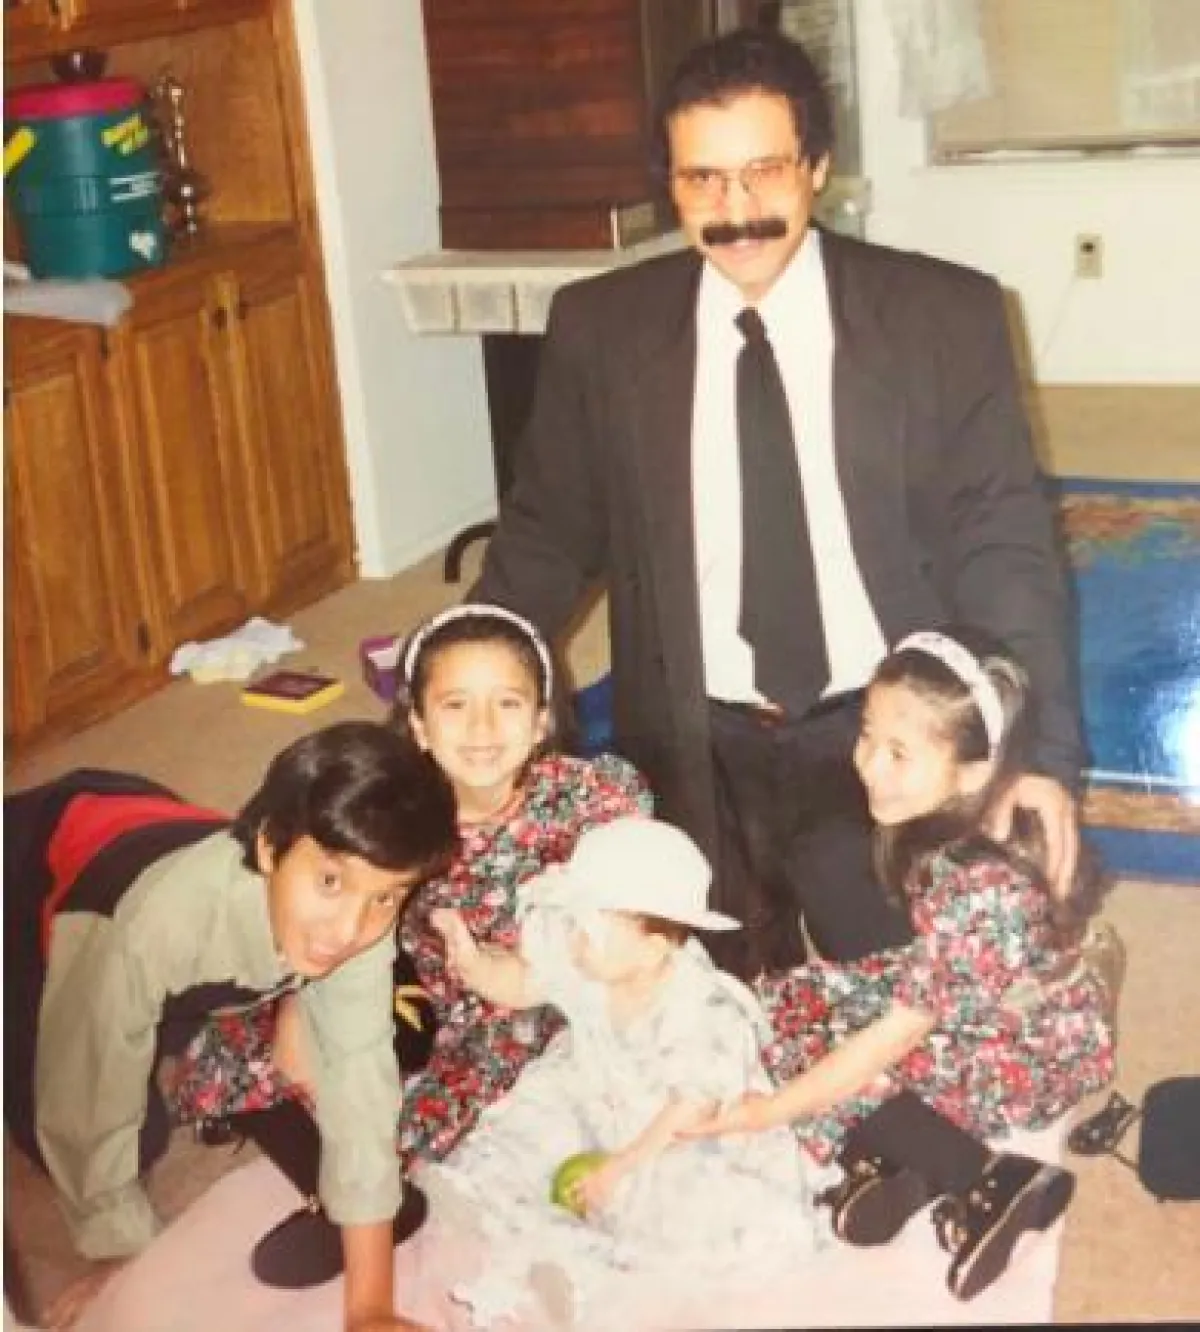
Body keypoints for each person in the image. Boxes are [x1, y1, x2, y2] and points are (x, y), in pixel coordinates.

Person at [469, 24, 1084, 981]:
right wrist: (454, 696)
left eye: (764, 172)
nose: (736, 211)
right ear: (671, 186)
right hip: (692, 736)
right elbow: (547, 533)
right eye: (703, 180)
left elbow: (1001, 543)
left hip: (881, 733)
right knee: (675, 1006)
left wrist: (1033, 754)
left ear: (818, 167)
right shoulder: (602, 329)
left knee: (928, 1002)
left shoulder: (942, 319)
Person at [168, 603, 651, 1286]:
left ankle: (355, 1196)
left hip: (531, 1000)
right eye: (455, 706)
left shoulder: (592, 800)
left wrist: (538, 971)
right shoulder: (394, 810)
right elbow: (336, 903)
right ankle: (322, 1160)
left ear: (542, 719)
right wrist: (304, 1000)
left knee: (467, 1098)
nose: (482, 729)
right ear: (419, 724)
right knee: (246, 1047)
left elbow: (632, 917)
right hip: (407, 984)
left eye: (507, 704)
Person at [682, 628, 1117, 1302]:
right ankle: (905, 1159)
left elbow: (896, 1034)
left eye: (899, 753)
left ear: (973, 770)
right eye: (867, 736)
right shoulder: (960, 811)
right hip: (967, 1001)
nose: (869, 765)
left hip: (1022, 1049)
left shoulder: (983, 884)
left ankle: (991, 1178)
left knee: (816, 1053)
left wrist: (764, 1113)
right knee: (790, 1002)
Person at [2, 723, 459, 1332]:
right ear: (269, 849)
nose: (351, 929)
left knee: (214, 1014)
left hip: (144, 818)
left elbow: (359, 1087)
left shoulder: (353, 917)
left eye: (386, 898)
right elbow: (84, 1095)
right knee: (86, 1105)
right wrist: (121, 1252)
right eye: (331, 882)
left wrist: (370, 1307)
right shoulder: (149, 928)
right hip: (36, 866)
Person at [419, 816, 828, 1330]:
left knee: (679, 1203)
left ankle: (581, 1267)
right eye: (573, 925)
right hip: (597, 1093)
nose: (573, 943)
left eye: (588, 932)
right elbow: (521, 986)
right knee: (537, 1115)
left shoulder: (700, 1005)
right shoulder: (589, 964)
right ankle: (501, 1198)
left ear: (654, 946)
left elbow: (694, 1106)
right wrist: (472, 959)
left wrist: (621, 1167)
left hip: (672, 1133)